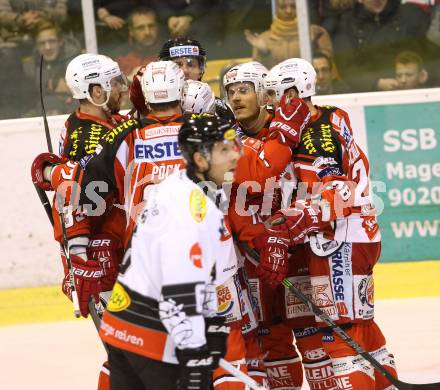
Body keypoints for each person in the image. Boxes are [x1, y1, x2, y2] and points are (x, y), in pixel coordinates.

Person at [262, 57, 398, 389]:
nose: (269, 103)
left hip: (338, 243)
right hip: (359, 234)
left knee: (339, 334)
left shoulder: (315, 134)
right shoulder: (331, 116)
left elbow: (339, 191)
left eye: (274, 94)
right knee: (362, 328)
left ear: (293, 93)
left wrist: (298, 219)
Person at [98, 114, 241, 389]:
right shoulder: (189, 207)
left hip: (125, 323)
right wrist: (195, 353)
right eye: (224, 150)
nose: (234, 156)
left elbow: (201, 277)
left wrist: (211, 324)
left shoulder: (182, 187)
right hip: (148, 333)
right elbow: (179, 290)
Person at [224, 60, 336, 389]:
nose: (236, 98)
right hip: (253, 259)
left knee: (310, 333)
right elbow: (237, 195)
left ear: (263, 92)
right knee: (271, 338)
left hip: (297, 252)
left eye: (244, 90)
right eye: (231, 92)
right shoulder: (229, 140)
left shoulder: (295, 129)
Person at [30, 52, 132, 390]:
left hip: (117, 247)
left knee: (133, 348)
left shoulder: (105, 123)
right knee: (124, 352)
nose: (123, 88)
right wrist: (79, 256)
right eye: (115, 82)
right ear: (96, 92)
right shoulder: (85, 136)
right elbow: (75, 201)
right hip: (100, 254)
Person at [331, 0, 430, 92]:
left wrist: (420, 75)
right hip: (367, 95)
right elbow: (346, 64)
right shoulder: (347, 23)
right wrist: (375, 83)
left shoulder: (410, 14)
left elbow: (429, 54)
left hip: (415, 91)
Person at [244, 0, 333, 69]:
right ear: (276, 9)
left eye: (293, 6)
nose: (289, 11)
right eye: (283, 7)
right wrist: (264, 53)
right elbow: (260, 75)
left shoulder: (316, 32)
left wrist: (313, 45)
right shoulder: (264, 39)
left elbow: (326, 70)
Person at [23, 21, 81, 115]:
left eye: (52, 41)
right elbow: (27, 98)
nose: (47, 47)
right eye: (42, 43)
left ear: (60, 42)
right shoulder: (30, 66)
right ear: (37, 46)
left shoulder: (77, 62)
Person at [114, 7, 163, 81]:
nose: (147, 32)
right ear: (131, 31)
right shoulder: (119, 56)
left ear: (157, 27)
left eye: (151, 26)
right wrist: (129, 79)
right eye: (141, 28)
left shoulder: (168, 52)